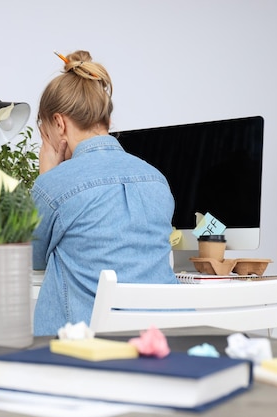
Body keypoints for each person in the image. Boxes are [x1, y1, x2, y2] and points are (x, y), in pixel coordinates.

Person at [31, 50, 178, 336]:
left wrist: (47, 175)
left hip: (84, 353)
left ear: (59, 124)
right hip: (162, 344)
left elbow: (32, 260)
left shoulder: (55, 185)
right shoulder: (157, 180)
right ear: (107, 122)